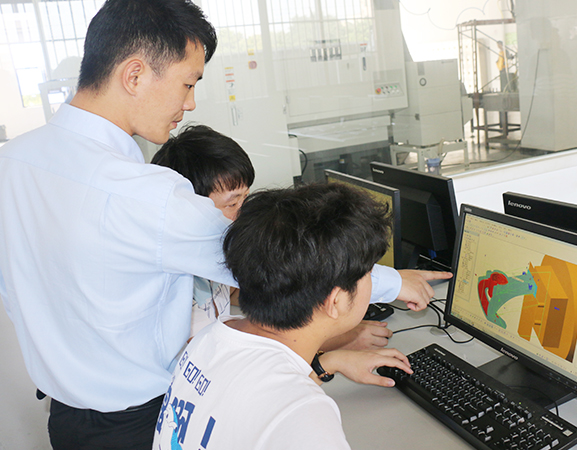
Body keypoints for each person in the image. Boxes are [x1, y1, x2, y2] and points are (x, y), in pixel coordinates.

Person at [0, 0, 447, 447]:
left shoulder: (12, 162)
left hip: (66, 421)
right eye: (188, 83)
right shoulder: (142, 195)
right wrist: (392, 282)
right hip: (140, 423)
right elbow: (273, 260)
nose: (190, 103)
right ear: (134, 75)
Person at [153, 182, 413, 449]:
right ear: (335, 301)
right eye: (368, 272)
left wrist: (327, 364)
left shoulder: (209, 338)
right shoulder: (304, 417)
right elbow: (286, 413)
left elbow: (255, 411)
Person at [151, 124, 254, 338]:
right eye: (232, 204)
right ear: (189, 207)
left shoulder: (216, 246)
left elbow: (231, 292)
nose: (243, 213)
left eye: (245, 198)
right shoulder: (169, 277)